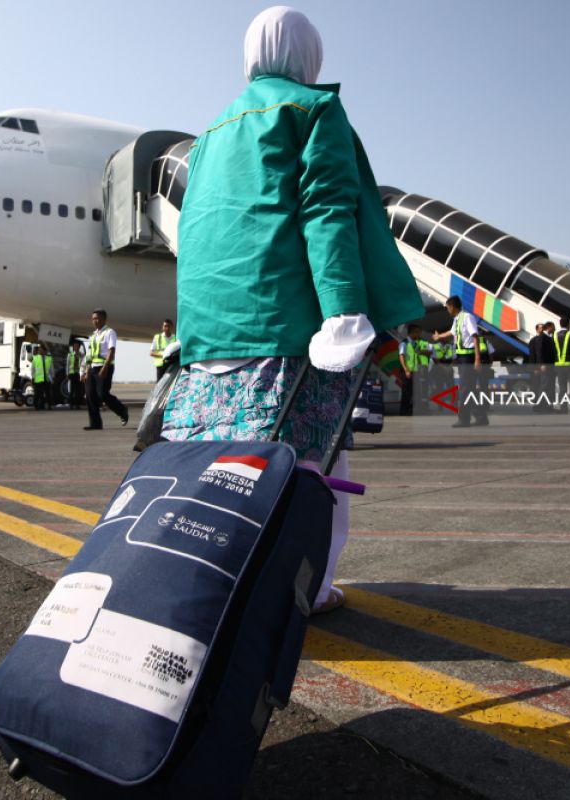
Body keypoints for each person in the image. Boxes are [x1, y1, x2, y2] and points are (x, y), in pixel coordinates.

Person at [160, 7, 424, 614]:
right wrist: (344, 310)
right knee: (314, 468)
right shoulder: (313, 111)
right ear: (312, 56)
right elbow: (328, 212)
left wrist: (195, 331)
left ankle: (214, 590)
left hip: (214, 338)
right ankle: (305, 592)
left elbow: (198, 232)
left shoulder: (207, 136)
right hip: (289, 335)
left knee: (223, 468)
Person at [432, 296, 488, 428]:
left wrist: (477, 359)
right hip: (462, 358)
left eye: (447, 307)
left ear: (452, 306)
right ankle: (481, 417)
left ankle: (463, 419)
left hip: (468, 358)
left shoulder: (467, 317)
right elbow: (451, 333)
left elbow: (475, 337)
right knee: (470, 390)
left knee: (464, 389)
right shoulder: (457, 319)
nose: (447, 310)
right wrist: (439, 336)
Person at [84, 309, 129, 429]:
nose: (95, 321)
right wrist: (87, 369)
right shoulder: (93, 335)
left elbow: (112, 350)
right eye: (93, 319)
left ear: (104, 319)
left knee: (102, 394)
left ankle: (122, 410)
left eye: (97, 318)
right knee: (90, 395)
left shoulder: (110, 332)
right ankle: (95, 424)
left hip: (105, 367)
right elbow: (89, 354)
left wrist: (105, 367)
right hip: (93, 367)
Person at [397, 325, 427, 416]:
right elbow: (401, 356)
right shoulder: (404, 343)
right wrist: (406, 370)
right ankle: (404, 411)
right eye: (417, 332)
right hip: (407, 371)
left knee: (416, 391)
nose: (419, 334)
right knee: (406, 392)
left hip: (415, 371)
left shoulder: (415, 343)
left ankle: (413, 410)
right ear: (412, 332)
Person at [31, 343, 52, 410]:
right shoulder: (35, 358)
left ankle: (49, 405)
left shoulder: (49, 359)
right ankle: (36, 406)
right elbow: (33, 369)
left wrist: (52, 377)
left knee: (47, 393)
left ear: (44, 351)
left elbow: (51, 369)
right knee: (38, 393)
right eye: (39, 350)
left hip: (46, 378)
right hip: (38, 379)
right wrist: (33, 377)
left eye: (41, 350)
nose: (40, 351)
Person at [66, 340, 84, 409]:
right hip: (72, 374)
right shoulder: (70, 355)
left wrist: (83, 374)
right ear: (73, 347)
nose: (76, 347)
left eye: (77, 346)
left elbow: (83, 364)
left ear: (79, 347)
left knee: (78, 390)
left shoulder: (81, 355)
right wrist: (67, 373)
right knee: (71, 390)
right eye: (74, 346)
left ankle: (77, 404)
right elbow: (67, 365)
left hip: (78, 374)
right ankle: (71, 404)